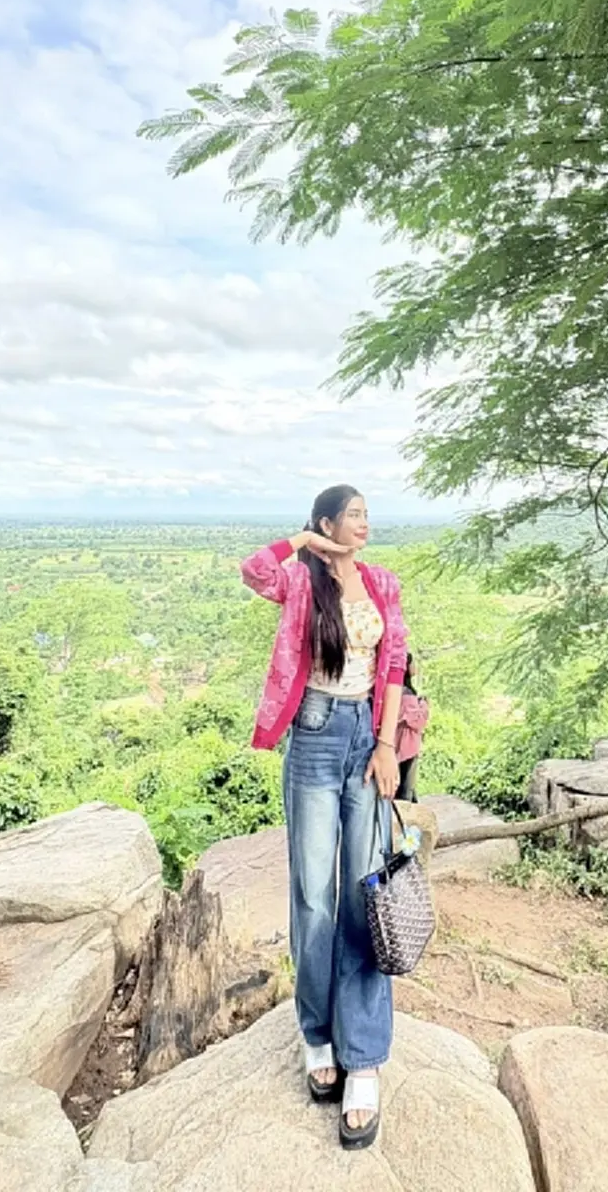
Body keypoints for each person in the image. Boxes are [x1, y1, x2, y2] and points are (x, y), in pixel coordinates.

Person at [241, 485, 408, 1152]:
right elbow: (254, 569)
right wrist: (304, 544)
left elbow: (393, 663)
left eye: (367, 513)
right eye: (353, 514)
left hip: (367, 740)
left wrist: (388, 745)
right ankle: (317, 1035)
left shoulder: (382, 582)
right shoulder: (300, 581)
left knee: (365, 896)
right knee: (313, 897)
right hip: (312, 738)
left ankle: (362, 1057)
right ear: (326, 522)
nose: (364, 523)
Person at [394, 652, 429, 804]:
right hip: (407, 747)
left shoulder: (395, 691)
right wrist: (424, 705)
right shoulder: (407, 694)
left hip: (395, 744)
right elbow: (417, 721)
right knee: (405, 791)